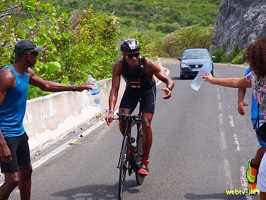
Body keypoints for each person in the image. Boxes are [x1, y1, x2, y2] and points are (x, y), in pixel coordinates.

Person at [0, 39, 92, 200]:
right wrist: (2, 145)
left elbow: (46, 86)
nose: (38, 57)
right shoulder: (7, 76)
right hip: (5, 135)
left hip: (19, 133)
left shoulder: (26, 73)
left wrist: (76, 87)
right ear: (28, 56)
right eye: (36, 54)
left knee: (26, 171)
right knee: (13, 179)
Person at [202, 37, 266, 199]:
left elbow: (237, 82)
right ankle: (254, 169)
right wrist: (214, 80)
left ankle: (254, 168)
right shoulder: (255, 77)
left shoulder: (256, 77)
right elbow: (238, 82)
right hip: (260, 119)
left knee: (264, 179)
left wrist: (213, 80)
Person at [105, 38, 174, 176]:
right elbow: (114, 89)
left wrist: (168, 88)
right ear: (124, 56)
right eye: (130, 56)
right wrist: (111, 111)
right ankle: (132, 145)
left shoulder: (147, 63)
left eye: (136, 54)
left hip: (148, 91)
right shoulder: (119, 65)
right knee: (122, 117)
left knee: (146, 124)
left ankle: (145, 162)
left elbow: (168, 80)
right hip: (132, 91)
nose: (134, 58)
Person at [238, 66, 266, 194]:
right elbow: (241, 84)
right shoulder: (254, 66)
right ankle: (254, 166)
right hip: (259, 115)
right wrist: (240, 101)